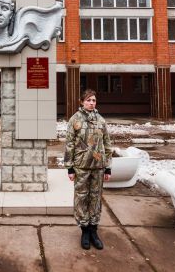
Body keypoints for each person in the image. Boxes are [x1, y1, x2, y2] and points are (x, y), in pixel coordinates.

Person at [64, 89, 112, 250]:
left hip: (98, 167)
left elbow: (107, 144)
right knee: (81, 197)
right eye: (88, 100)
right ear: (82, 102)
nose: (92, 103)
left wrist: (108, 167)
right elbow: (69, 144)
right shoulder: (75, 120)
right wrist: (70, 167)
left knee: (96, 198)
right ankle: (84, 231)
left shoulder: (101, 121)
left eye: (94, 100)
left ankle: (93, 230)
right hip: (81, 166)